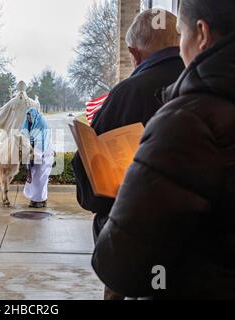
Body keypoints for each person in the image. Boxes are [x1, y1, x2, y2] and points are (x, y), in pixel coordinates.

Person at [92, 0, 235, 299]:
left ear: (201, 33)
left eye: (181, 34)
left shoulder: (187, 121)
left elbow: (122, 263)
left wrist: (114, 210)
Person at [72, 9, 184, 300]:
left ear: (134, 53)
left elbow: (90, 166)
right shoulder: (202, 84)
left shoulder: (128, 93)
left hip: (136, 234)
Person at [21, 108, 54, 208]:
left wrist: (36, 155)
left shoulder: (42, 125)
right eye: (27, 118)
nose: (29, 119)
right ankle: (35, 199)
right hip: (33, 156)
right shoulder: (29, 125)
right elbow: (24, 137)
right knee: (34, 179)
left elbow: (43, 142)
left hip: (44, 156)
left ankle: (40, 200)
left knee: (41, 179)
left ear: (35, 116)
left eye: (30, 117)